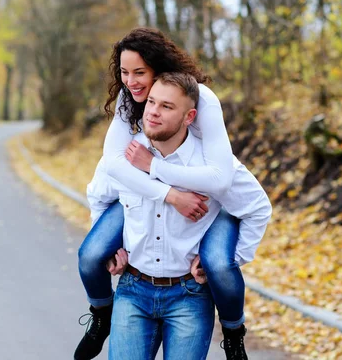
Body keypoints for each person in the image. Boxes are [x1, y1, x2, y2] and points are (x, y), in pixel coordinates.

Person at [75, 28, 271, 360]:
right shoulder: (131, 113)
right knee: (91, 253)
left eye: (140, 73)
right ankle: (101, 315)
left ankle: (234, 332)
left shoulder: (203, 110)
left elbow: (229, 186)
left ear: (160, 70)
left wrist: (158, 168)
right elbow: (108, 172)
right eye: (124, 73)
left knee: (220, 264)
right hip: (134, 288)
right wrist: (169, 197)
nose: (132, 82)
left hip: (188, 292)